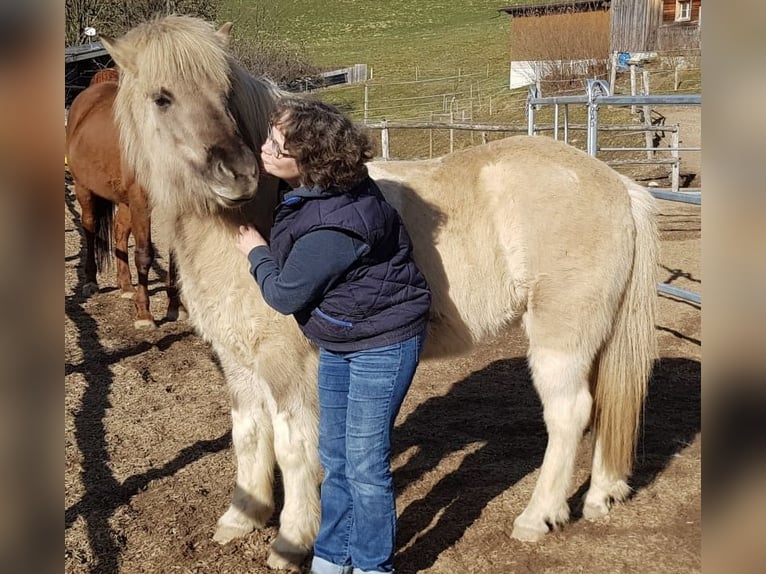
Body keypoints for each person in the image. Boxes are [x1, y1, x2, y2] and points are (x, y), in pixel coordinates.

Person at [235, 97, 431, 574]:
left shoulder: (339, 222)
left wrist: (255, 250)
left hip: (380, 345)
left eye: (275, 143)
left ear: (307, 159)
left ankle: (370, 564)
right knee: (336, 458)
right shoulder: (314, 192)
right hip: (343, 337)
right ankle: (331, 556)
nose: (263, 148)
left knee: (365, 467)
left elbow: (284, 294)